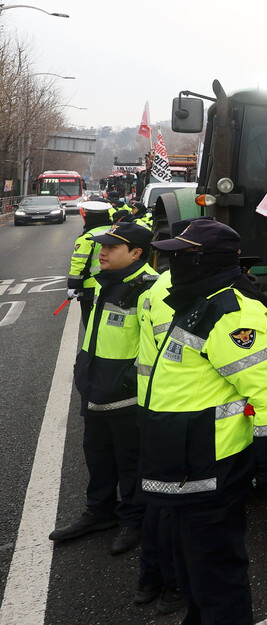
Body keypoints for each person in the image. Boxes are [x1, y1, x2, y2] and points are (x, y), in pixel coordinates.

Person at [138, 218, 267, 624]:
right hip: (184, 462)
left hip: (209, 467)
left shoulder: (229, 313)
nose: (171, 266)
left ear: (204, 261)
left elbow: (266, 392)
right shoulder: (196, 301)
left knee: (217, 575)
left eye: (181, 257)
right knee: (193, 568)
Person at [49, 223, 157, 557]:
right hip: (96, 388)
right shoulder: (105, 281)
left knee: (130, 460)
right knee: (97, 455)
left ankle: (134, 520)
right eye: (103, 246)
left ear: (136, 253)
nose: (102, 252)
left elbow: (153, 349)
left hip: (126, 395)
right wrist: (84, 370)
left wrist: (126, 381)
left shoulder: (149, 289)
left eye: (111, 248)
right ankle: (99, 512)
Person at [67, 200, 115, 327]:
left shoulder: (87, 238)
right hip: (116, 283)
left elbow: (79, 263)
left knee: (91, 324)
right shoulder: (116, 231)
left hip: (92, 288)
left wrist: (73, 285)